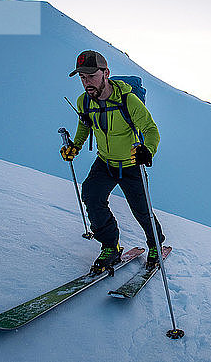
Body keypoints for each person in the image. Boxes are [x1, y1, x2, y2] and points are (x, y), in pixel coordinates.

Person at [61, 50, 165, 273]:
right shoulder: (85, 101)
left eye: (91, 76)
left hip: (131, 164)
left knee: (142, 210)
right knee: (91, 196)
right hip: (105, 163)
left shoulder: (128, 101)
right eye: (82, 77)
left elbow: (150, 128)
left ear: (106, 73)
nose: (87, 82)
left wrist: (148, 150)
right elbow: (85, 125)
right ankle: (110, 246)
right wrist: (75, 146)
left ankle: (155, 244)